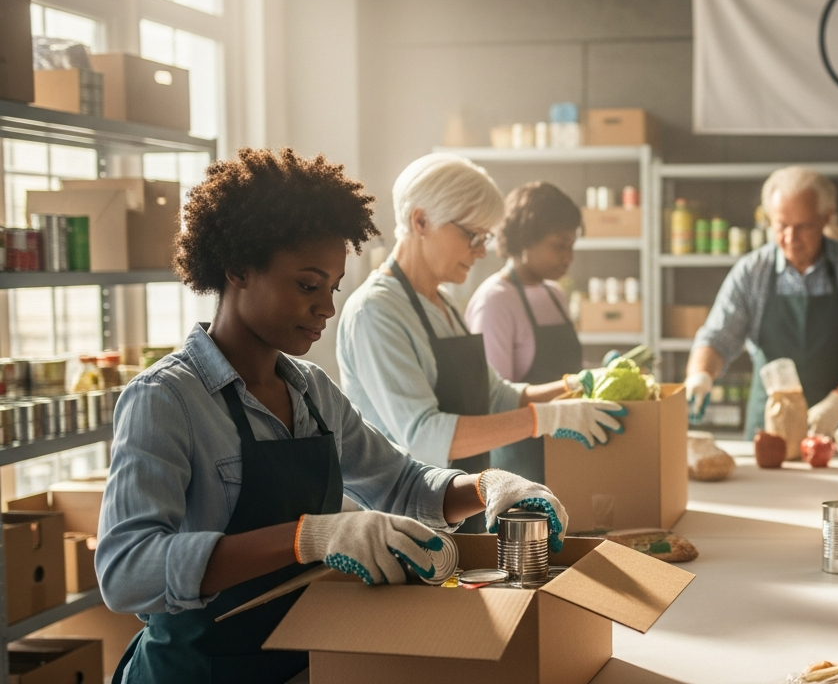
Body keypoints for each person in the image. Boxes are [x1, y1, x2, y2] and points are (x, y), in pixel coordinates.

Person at [97, 148, 569, 684]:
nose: (326, 307)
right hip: (194, 672)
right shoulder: (166, 399)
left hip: (307, 663)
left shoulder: (313, 392)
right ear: (238, 268)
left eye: (333, 288)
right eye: (307, 285)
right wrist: (310, 537)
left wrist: (488, 487)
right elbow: (126, 572)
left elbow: (403, 484)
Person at [338, 154, 622, 486]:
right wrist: (547, 418)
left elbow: (495, 396)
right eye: (472, 235)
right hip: (402, 509)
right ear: (421, 221)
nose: (482, 251)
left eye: (484, 238)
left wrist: (575, 386)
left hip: (460, 499)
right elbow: (424, 436)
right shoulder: (375, 312)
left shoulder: (441, 303)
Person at [685, 166, 838, 438]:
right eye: (781, 226)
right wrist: (700, 376)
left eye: (804, 227)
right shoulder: (752, 272)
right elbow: (717, 338)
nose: (791, 239)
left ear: (826, 217)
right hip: (769, 430)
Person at [466, 181, 583, 478]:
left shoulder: (554, 294)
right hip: (518, 464)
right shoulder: (495, 301)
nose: (569, 257)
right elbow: (493, 402)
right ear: (525, 239)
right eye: (559, 246)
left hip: (568, 450)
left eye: (571, 246)